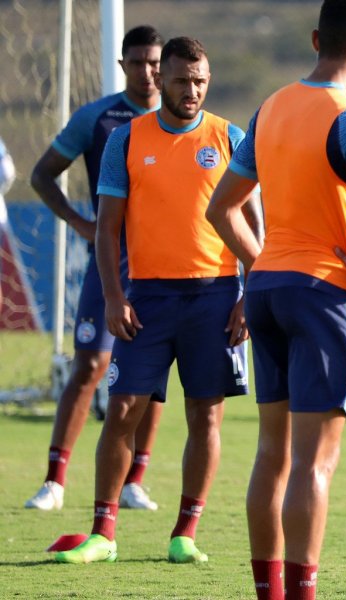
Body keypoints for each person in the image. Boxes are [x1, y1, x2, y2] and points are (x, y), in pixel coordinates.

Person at [205, 1, 346, 597]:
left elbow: (221, 208)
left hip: (265, 289)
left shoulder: (270, 109)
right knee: (315, 463)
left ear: (316, 38)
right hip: (321, 295)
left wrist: (259, 261)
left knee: (272, 454)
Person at [53, 35, 254, 566]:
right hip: (147, 298)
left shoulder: (231, 138)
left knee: (204, 416)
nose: (193, 91)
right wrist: (115, 296)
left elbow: (257, 229)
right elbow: (107, 230)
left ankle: (185, 533)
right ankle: (103, 533)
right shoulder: (125, 139)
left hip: (216, 296)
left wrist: (248, 297)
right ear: (160, 78)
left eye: (201, 81)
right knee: (121, 408)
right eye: (183, 80)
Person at [25, 25, 166, 512]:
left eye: (156, 63)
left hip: (165, 267)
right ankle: (55, 482)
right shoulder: (97, 118)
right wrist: (80, 224)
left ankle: (133, 482)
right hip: (108, 263)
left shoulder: (184, 119)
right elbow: (41, 175)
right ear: (123, 64)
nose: (148, 73)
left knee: (154, 376)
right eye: (139, 62)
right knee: (89, 364)